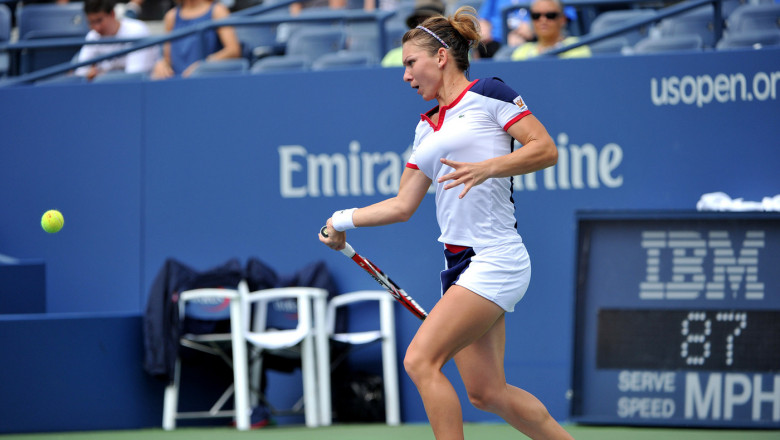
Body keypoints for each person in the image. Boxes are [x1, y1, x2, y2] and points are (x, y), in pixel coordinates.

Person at [320, 6, 574, 440]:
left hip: (496, 259)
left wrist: (490, 167)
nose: (405, 76)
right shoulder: (425, 129)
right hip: (460, 266)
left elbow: (546, 149)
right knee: (486, 393)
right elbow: (403, 205)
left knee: (419, 361)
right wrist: (341, 219)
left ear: (440, 57)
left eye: (410, 63)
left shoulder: (490, 93)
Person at [151, 0, 241, 79]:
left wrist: (202, 66)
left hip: (207, 80)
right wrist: (161, 64)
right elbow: (167, 57)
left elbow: (233, 50)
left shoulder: (218, 10)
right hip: (177, 82)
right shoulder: (171, 16)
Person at [74, 0, 158, 80]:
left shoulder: (137, 30)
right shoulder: (92, 36)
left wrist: (99, 76)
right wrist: (89, 74)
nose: (96, 27)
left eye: (99, 20)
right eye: (91, 22)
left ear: (112, 14)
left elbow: (134, 76)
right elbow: (80, 73)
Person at [511, 0, 589, 60]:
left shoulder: (576, 46)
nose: (543, 20)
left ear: (563, 19)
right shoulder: (522, 51)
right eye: (536, 16)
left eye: (550, 15)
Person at [381, 0, 445, 67]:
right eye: (419, 22)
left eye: (430, 22)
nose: (423, 28)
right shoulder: (392, 57)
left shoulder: (450, 55)